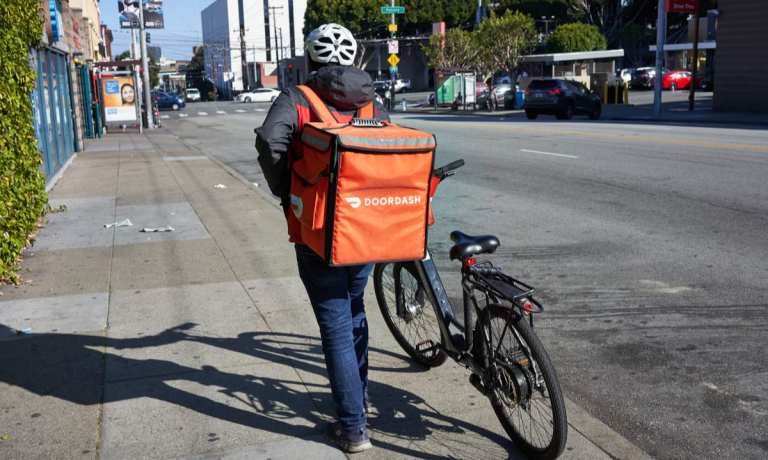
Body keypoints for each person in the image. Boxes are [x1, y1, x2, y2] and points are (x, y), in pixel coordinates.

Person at [255, 23, 388, 453]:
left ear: (310, 58)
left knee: (335, 326)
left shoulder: (298, 98)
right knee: (355, 309)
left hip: (318, 231)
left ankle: (353, 428)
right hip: (363, 228)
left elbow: (269, 142)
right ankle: (361, 401)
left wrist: (287, 189)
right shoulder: (370, 101)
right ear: (352, 59)